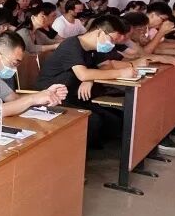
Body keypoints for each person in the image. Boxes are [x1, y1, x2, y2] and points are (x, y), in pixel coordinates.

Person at [34, 16, 137, 149]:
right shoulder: (71, 45)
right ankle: (77, 154)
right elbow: (82, 74)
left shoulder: (96, 48)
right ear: (99, 32)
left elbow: (104, 67)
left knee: (118, 119)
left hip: (74, 96)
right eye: (112, 40)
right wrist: (121, 73)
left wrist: (90, 79)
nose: (112, 45)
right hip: (53, 97)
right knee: (94, 121)